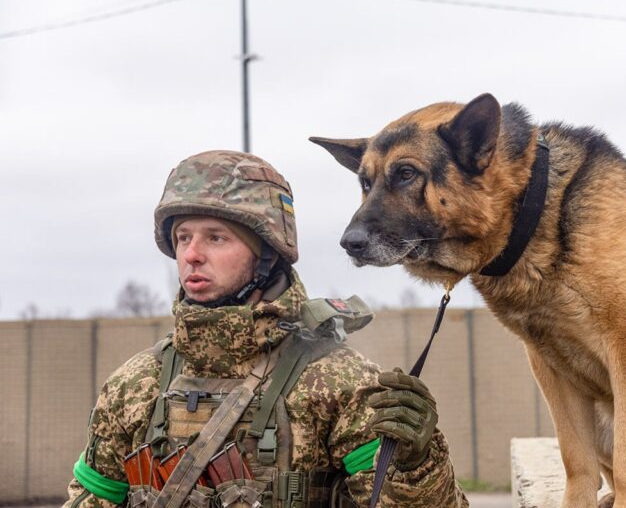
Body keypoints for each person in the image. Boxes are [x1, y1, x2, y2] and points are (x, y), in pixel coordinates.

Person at [62, 150, 468, 508]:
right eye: (182, 237)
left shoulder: (338, 382)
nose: (192, 255)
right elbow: (92, 498)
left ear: (266, 251)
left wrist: (418, 468)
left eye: (215, 238)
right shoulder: (135, 384)